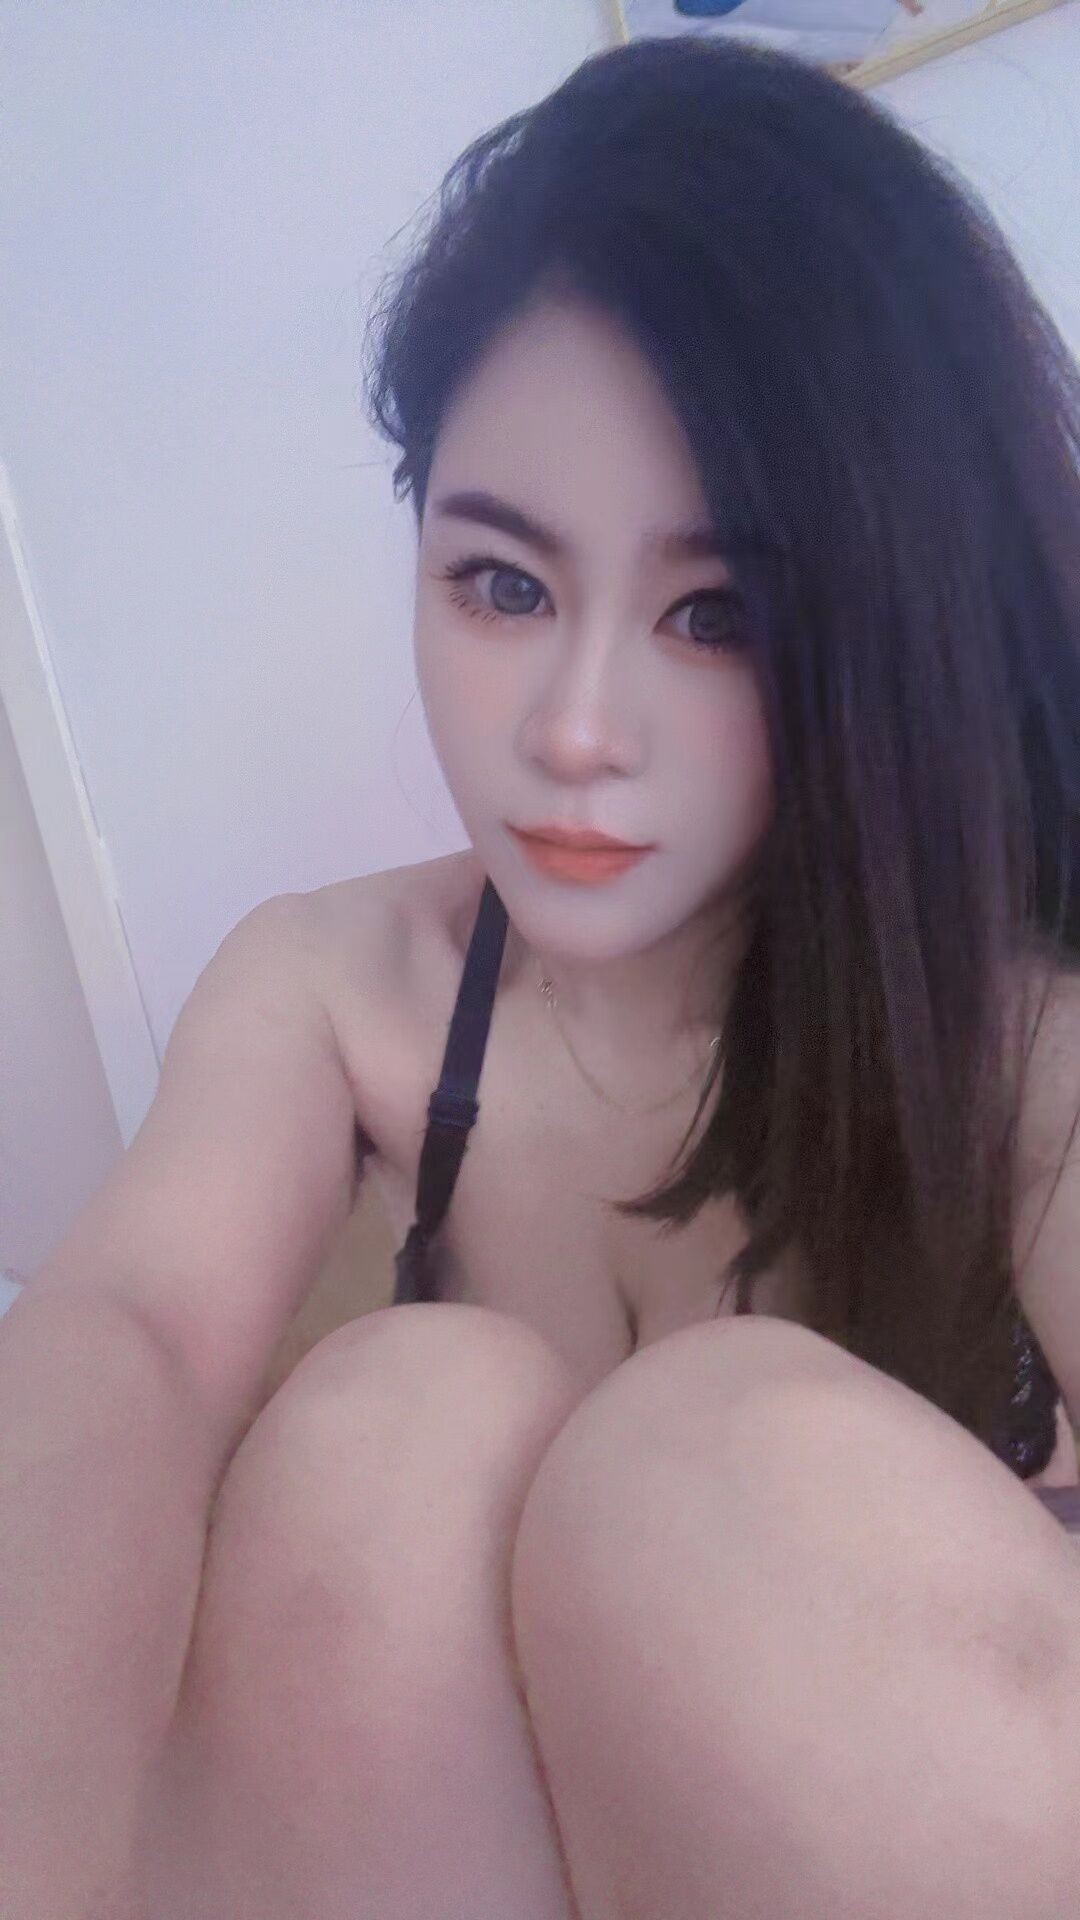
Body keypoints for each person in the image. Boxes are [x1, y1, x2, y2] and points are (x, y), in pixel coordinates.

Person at [3, 33, 1079, 1920]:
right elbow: (132, 1334)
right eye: (502, 585)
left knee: (706, 1471)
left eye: (716, 616)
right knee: (396, 1429)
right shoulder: (342, 986)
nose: (575, 732)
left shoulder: (1018, 1038)